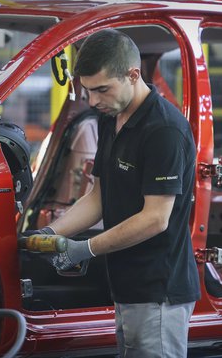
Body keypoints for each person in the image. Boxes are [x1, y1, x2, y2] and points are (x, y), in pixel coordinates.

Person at [30, 29, 200, 357]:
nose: (93, 101)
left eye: (102, 90)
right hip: (126, 286)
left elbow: (155, 219)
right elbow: (98, 197)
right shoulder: (112, 117)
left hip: (158, 291)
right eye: (88, 91)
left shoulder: (163, 130)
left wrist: (85, 249)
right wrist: (48, 234)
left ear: (133, 75)